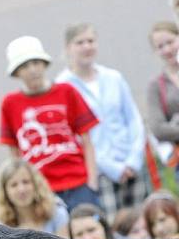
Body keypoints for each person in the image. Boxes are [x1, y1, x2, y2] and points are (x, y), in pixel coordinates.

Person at [56, 23, 149, 219]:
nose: (86, 46)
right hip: (100, 171)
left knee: (142, 224)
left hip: (131, 164)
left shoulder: (113, 77)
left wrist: (133, 159)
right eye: (80, 42)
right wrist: (112, 168)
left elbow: (133, 119)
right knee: (112, 227)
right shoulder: (62, 86)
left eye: (90, 41)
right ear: (68, 48)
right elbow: (74, 137)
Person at [0, 35, 100, 212]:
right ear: (16, 72)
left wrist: (92, 181)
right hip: (40, 188)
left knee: (87, 232)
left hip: (78, 181)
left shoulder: (66, 91)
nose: (32, 70)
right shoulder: (9, 103)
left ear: (44, 64)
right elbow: (14, 153)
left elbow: (87, 141)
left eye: (36, 63)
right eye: (24, 66)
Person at [0, 158, 70, 238]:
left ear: (36, 184)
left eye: (26, 182)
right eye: (14, 185)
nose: (21, 189)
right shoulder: (0, 229)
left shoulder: (56, 213)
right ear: (4, 191)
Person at [146, 21, 179, 172]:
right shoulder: (156, 86)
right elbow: (158, 128)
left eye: (170, 42)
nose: (167, 50)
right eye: (160, 46)